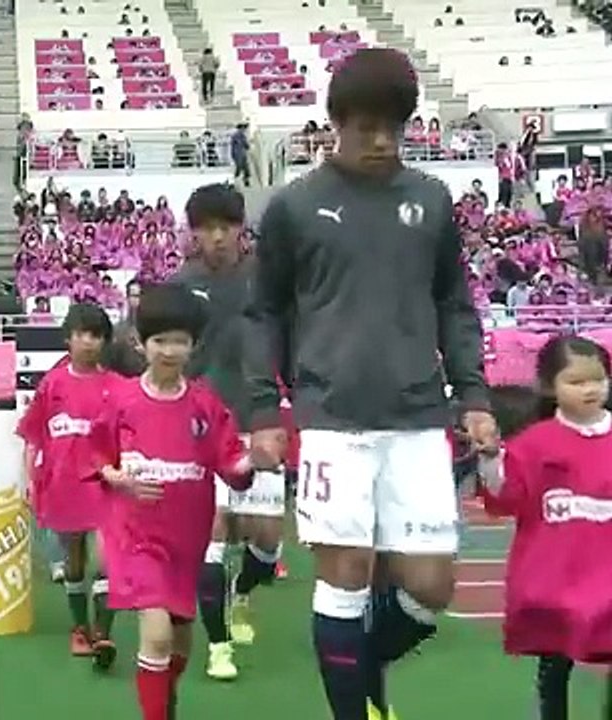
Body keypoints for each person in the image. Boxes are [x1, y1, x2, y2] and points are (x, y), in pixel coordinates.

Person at [245, 48, 499, 720]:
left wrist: (472, 393)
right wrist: (264, 405)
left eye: (397, 127)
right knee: (347, 574)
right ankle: (354, 711)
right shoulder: (294, 207)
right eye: (368, 127)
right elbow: (264, 309)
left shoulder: (431, 198)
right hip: (332, 420)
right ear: (334, 122)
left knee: (429, 587)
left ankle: (354, 673)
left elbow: (454, 301)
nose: (383, 140)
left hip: (418, 416)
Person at [88, 283, 252, 720]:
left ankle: (162, 697)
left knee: (179, 639)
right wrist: (116, 478)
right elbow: (96, 455)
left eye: (180, 341)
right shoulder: (120, 400)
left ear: (194, 346)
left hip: (187, 537)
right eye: (161, 340)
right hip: (135, 535)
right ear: (140, 344)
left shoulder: (206, 405)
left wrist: (253, 462)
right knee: (156, 634)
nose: (170, 350)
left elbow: (231, 463)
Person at [170, 183, 285, 680]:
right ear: (194, 233)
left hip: (258, 419)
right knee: (211, 534)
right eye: (207, 228)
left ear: (241, 228)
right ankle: (219, 647)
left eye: (226, 226)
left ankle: (243, 592)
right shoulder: (180, 283)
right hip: (200, 425)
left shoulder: (267, 278)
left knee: (266, 541)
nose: (217, 237)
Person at [477, 336, 612, 720]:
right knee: (554, 671)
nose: (590, 389)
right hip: (557, 582)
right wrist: (490, 462)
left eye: (597, 379)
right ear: (551, 387)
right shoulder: (533, 445)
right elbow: (506, 500)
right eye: (576, 381)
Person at [16, 302, 119, 666]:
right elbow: (32, 435)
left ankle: (104, 634)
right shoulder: (53, 384)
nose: (88, 342)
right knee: (74, 560)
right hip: (63, 483)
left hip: (106, 486)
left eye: (96, 335)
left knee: (109, 560)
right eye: (82, 335)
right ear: (68, 339)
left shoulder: (117, 387)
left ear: (105, 341)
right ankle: (81, 629)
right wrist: (30, 479)